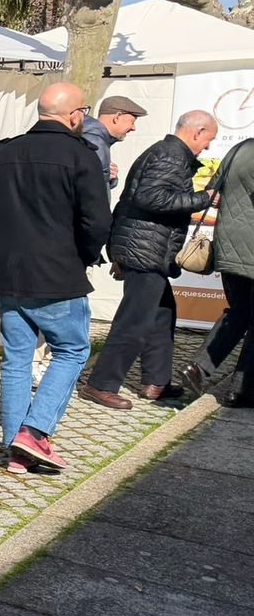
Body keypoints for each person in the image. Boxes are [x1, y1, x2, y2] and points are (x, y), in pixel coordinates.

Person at [0, 82, 111, 475]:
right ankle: (33, 433)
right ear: (74, 115)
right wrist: (83, 256)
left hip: (5, 275)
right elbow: (98, 222)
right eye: (83, 111)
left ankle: (17, 451)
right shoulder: (81, 156)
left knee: (17, 359)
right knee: (72, 350)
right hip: (56, 275)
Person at [80, 111, 218, 410]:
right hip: (145, 250)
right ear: (198, 132)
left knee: (162, 313)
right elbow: (150, 198)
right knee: (134, 320)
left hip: (144, 246)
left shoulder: (167, 152)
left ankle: (156, 381)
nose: (207, 147)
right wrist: (204, 198)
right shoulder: (171, 155)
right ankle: (100, 384)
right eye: (208, 139)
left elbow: (135, 198)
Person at [183, 135, 254, 403]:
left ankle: (198, 368)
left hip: (229, 243)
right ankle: (241, 390)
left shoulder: (240, 148)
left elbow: (213, 191)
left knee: (239, 312)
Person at [81, 96, 144, 192]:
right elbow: (89, 188)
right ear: (117, 117)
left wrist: (109, 178)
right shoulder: (95, 140)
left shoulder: (97, 139)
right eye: (132, 121)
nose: (133, 128)